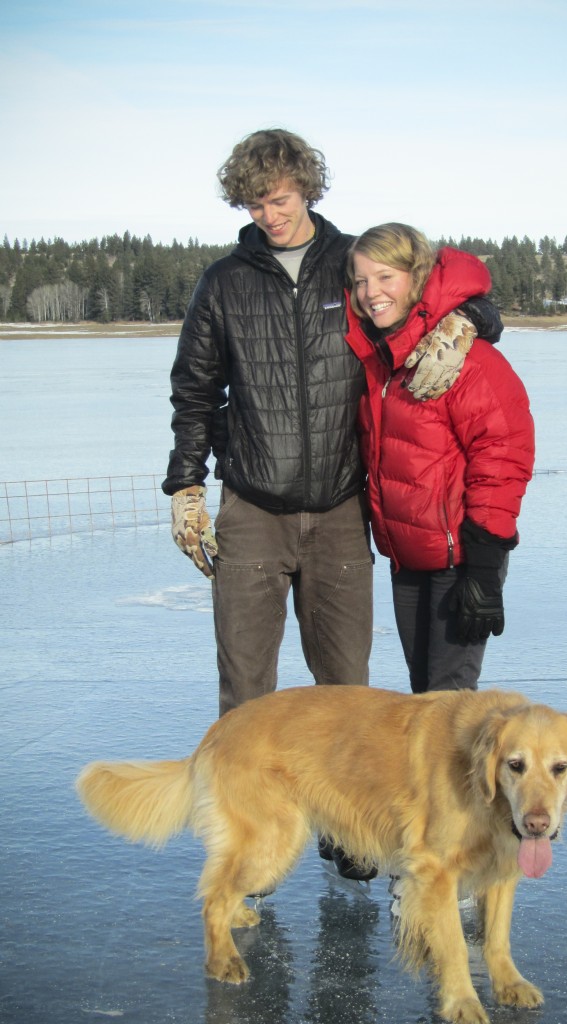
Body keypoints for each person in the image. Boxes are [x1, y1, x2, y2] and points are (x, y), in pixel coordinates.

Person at [161, 131, 501, 880]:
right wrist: (187, 484)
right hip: (252, 504)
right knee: (246, 682)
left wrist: (469, 321)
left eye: (278, 197)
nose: (268, 212)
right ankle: (246, 837)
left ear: (307, 188)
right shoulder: (224, 282)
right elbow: (194, 392)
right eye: (253, 201)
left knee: (345, 683)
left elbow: (455, 288)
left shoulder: (352, 262)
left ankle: (347, 828)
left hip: (343, 505)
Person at [345, 223, 535, 694]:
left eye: (386, 277)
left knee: (448, 706)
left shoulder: (467, 360)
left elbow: (503, 458)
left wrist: (485, 569)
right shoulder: (381, 357)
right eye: (362, 281)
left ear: (417, 276)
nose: (372, 293)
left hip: (461, 559)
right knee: (424, 698)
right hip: (408, 558)